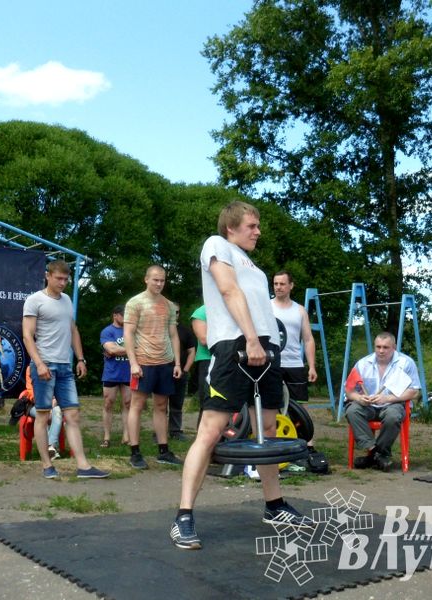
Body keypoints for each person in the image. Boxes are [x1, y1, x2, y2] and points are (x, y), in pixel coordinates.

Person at [171, 201, 313, 551]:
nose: (258, 231)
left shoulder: (257, 269)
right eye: (251, 225)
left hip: (265, 349)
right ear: (230, 227)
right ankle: (183, 516)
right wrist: (249, 339)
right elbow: (228, 291)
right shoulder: (216, 245)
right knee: (210, 431)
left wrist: (264, 344)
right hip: (235, 346)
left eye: (257, 225)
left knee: (267, 428)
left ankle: (274, 506)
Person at [22, 260, 108, 479]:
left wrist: (80, 358)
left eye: (66, 279)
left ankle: (83, 466)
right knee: (43, 415)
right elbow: (27, 335)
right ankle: (47, 465)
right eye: (58, 278)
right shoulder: (34, 300)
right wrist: (39, 364)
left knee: (73, 415)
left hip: (65, 366)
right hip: (44, 365)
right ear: (47, 276)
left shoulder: (67, 300)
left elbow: (73, 330)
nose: (62, 283)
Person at [123, 265, 183, 469]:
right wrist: (133, 363)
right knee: (137, 405)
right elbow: (128, 333)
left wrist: (177, 363)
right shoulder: (135, 303)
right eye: (155, 280)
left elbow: (173, 334)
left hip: (165, 362)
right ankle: (135, 452)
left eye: (162, 280)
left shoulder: (169, 305)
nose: (159, 283)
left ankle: (163, 451)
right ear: (146, 279)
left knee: (161, 406)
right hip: (143, 362)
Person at [344, 332, 421, 472]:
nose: (381, 351)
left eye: (385, 347)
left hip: (393, 404)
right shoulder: (363, 363)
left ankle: (373, 456)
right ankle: (376, 453)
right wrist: (360, 398)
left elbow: (414, 391)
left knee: (393, 416)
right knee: (352, 410)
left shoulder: (405, 363)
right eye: (378, 347)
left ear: (394, 347)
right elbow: (349, 390)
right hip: (368, 406)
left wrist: (388, 398)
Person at [271, 270, 318, 451]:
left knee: (299, 406)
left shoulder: (299, 310)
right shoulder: (266, 307)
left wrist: (311, 366)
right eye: (276, 284)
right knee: (271, 405)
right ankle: (273, 443)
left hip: (294, 364)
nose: (278, 287)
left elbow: (308, 339)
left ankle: (307, 444)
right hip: (272, 363)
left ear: (291, 286)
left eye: (282, 284)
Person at [100, 305, 131, 447]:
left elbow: (115, 350)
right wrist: (132, 349)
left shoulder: (131, 330)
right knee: (108, 403)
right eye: (123, 314)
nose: (126, 317)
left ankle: (126, 436)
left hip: (129, 372)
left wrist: (118, 350)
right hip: (111, 373)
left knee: (128, 403)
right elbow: (111, 349)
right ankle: (107, 437)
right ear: (115, 315)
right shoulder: (107, 331)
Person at [168, 305, 196, 441]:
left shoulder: (186, 331)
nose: (175, 314)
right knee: (160, 405)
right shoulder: (160, 329)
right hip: (161, 370)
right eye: (172, 311)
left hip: (180, 372)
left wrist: (185, 370)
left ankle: (175, 431)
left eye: (177, 312)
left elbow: (192, 352)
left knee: (177, 404)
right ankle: (158, 433)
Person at [190, 304, 210, 424]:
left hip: (230, 359)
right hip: (207, 360)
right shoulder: (201, 311)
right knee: (207, 402)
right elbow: (203, 339)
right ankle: (203, 433)